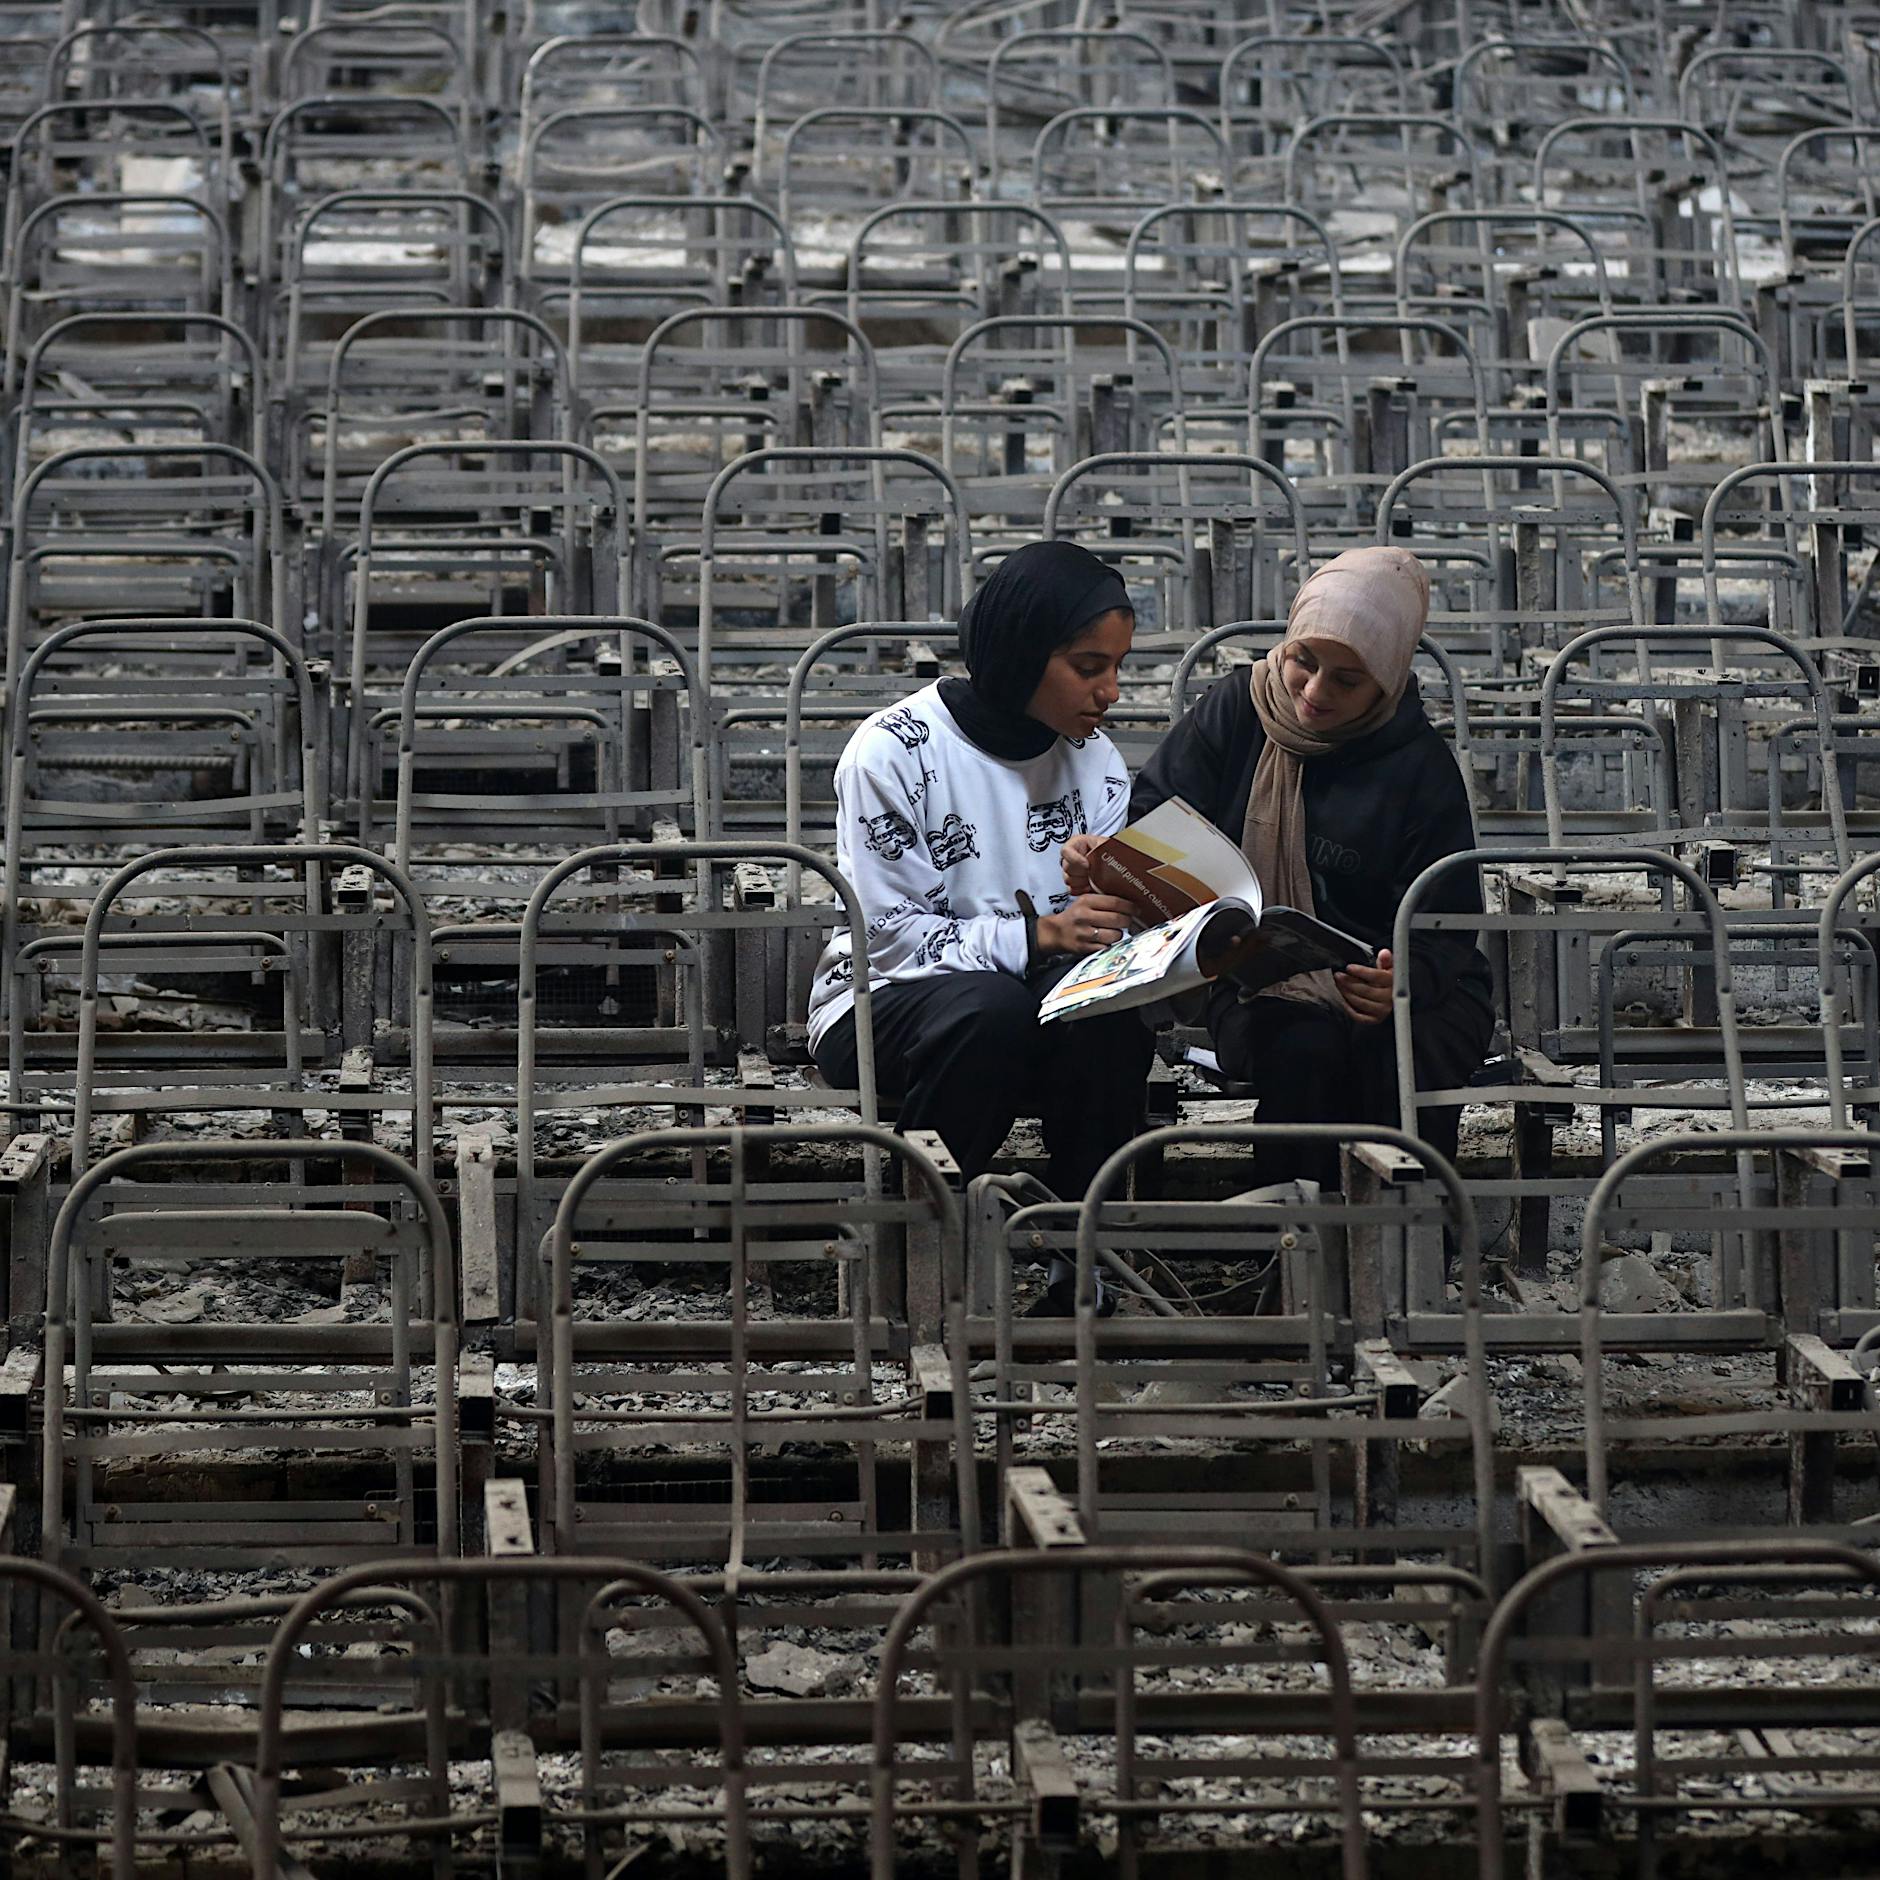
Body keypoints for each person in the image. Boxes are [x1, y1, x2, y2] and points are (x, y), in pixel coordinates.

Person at [1068, 544, 1493, 1187]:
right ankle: (1295, 1245)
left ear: (1388, 677)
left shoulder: (1419, 768)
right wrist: (1111, 859)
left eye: (1347, 680)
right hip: (1249, 976)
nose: (1315, 692)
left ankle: (1404, 1248)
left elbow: (1446, 913)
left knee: (1398, 1056)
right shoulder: (1237, 710)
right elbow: (1154, 820)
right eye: (1304, 661)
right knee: (1300, 1049)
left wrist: (1399, 980)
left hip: (1397, 986)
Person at [808, 539, 1157, 1213]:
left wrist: (1114, 898)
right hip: (881, 998)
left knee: (1109, 1014)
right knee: (992, 1012)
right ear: (1022, 653)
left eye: (1118, 667)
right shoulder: (891, 751)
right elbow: (892, 939)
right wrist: (1042, 935)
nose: (1110, 692)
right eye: (1089, 667)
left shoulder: (1096, 758)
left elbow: (1102, 942)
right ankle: (921, 1239)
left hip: (1034, 997)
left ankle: (1080, 1250)